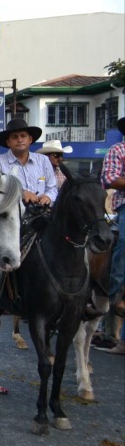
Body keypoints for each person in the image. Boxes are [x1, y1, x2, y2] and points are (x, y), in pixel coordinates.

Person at [0, 118, 58, 332]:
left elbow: (52, 188)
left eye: (23, 136)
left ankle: (79, 298)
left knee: (70, 241)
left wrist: (48, 197)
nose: (20, 139)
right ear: (8, 142)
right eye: (15, 137)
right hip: (11, 219)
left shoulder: (43, 161)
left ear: (30, 139)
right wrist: (21, 193)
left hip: (43, 215)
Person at [99, 117, 125, 351]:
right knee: (124, 244)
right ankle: (114, 291)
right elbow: (108, 178)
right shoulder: (118, 149)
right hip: (124, 206)